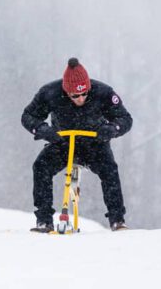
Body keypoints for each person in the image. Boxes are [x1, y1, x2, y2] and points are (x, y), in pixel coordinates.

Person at [21, 57, 132, 232]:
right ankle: (44, 220)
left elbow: (125, 118)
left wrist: (112, 129)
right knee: (41, 167)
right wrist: (42, 129)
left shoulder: (103, 93)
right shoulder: (50, 93)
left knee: (109, 170)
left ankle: (117, 220)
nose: (80, 99)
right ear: (66, 91)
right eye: (75, 95)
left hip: (94, 144)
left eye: (84, 94)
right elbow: (28, 116)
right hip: (62, 143)